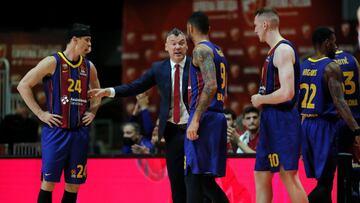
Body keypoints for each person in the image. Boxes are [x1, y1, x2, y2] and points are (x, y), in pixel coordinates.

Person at [88, 28, 190, 203]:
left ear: (187, 46)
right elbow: (136, 86)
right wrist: (109, 91)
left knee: (198, 181)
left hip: (193, 129)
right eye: (173, 44)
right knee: (177, 185)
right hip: (172, 132)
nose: (177, 47)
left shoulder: (196, 66)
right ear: (166, 46)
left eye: (181, 43)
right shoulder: (159, 68)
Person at [17, 23, 101, 203]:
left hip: (79, 133)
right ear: (74, 40)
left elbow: (98, 93)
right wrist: (40, 113)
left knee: (73, 185)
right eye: (87, 40)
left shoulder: (89, 66)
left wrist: (93, 111)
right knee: (49, 183)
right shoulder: (52, 62)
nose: (90, 45)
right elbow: (23, 85)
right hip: (56, 132)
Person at [251, 8, 308, 203]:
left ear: (265, 25)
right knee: (261, 174)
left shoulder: (283, 50)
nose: (255, 30)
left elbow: (287, 92)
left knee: (288, 175)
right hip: (271, 119)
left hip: (283, 120)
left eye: (256, 26)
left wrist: (261, 99)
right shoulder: (273, 51)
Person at [299, 27, 360, 202]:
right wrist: (356, 130)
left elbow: (297, 103)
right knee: (326, 184)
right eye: (333, 42)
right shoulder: (331, 67)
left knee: (322, 182)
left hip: (307, 126)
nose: (336, 45)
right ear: (327, 43)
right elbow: (340, 103)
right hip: (323, 126)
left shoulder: (303, 65)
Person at [185, 11, 229, 203]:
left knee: (194, 176)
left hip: (205, 117)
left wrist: (195, 119)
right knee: (205, 179)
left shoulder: (200, 51)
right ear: (209, 29)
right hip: (217, 115)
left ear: (190, 29)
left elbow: (211, 86)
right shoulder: (218, 51)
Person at [334, 49, 360, 203]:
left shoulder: (325, 61)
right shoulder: (352, 60)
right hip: (356, 118)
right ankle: (354, 193)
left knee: (338, 165)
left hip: (337, 120)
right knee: (355, 162)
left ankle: (342, 196)